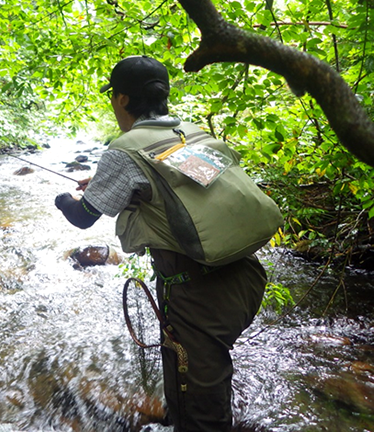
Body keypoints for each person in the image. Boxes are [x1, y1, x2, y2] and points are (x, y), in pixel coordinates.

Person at [55, 56, 269, 432]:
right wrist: (116, 187)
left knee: (200, 412)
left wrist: (63, 200)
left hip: (196, 293)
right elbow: (192, 190)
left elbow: (83, 217)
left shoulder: (125, 149)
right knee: (204, 382)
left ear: (121, 99)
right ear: (164, 94)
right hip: (245, 277)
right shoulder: (189, 133)